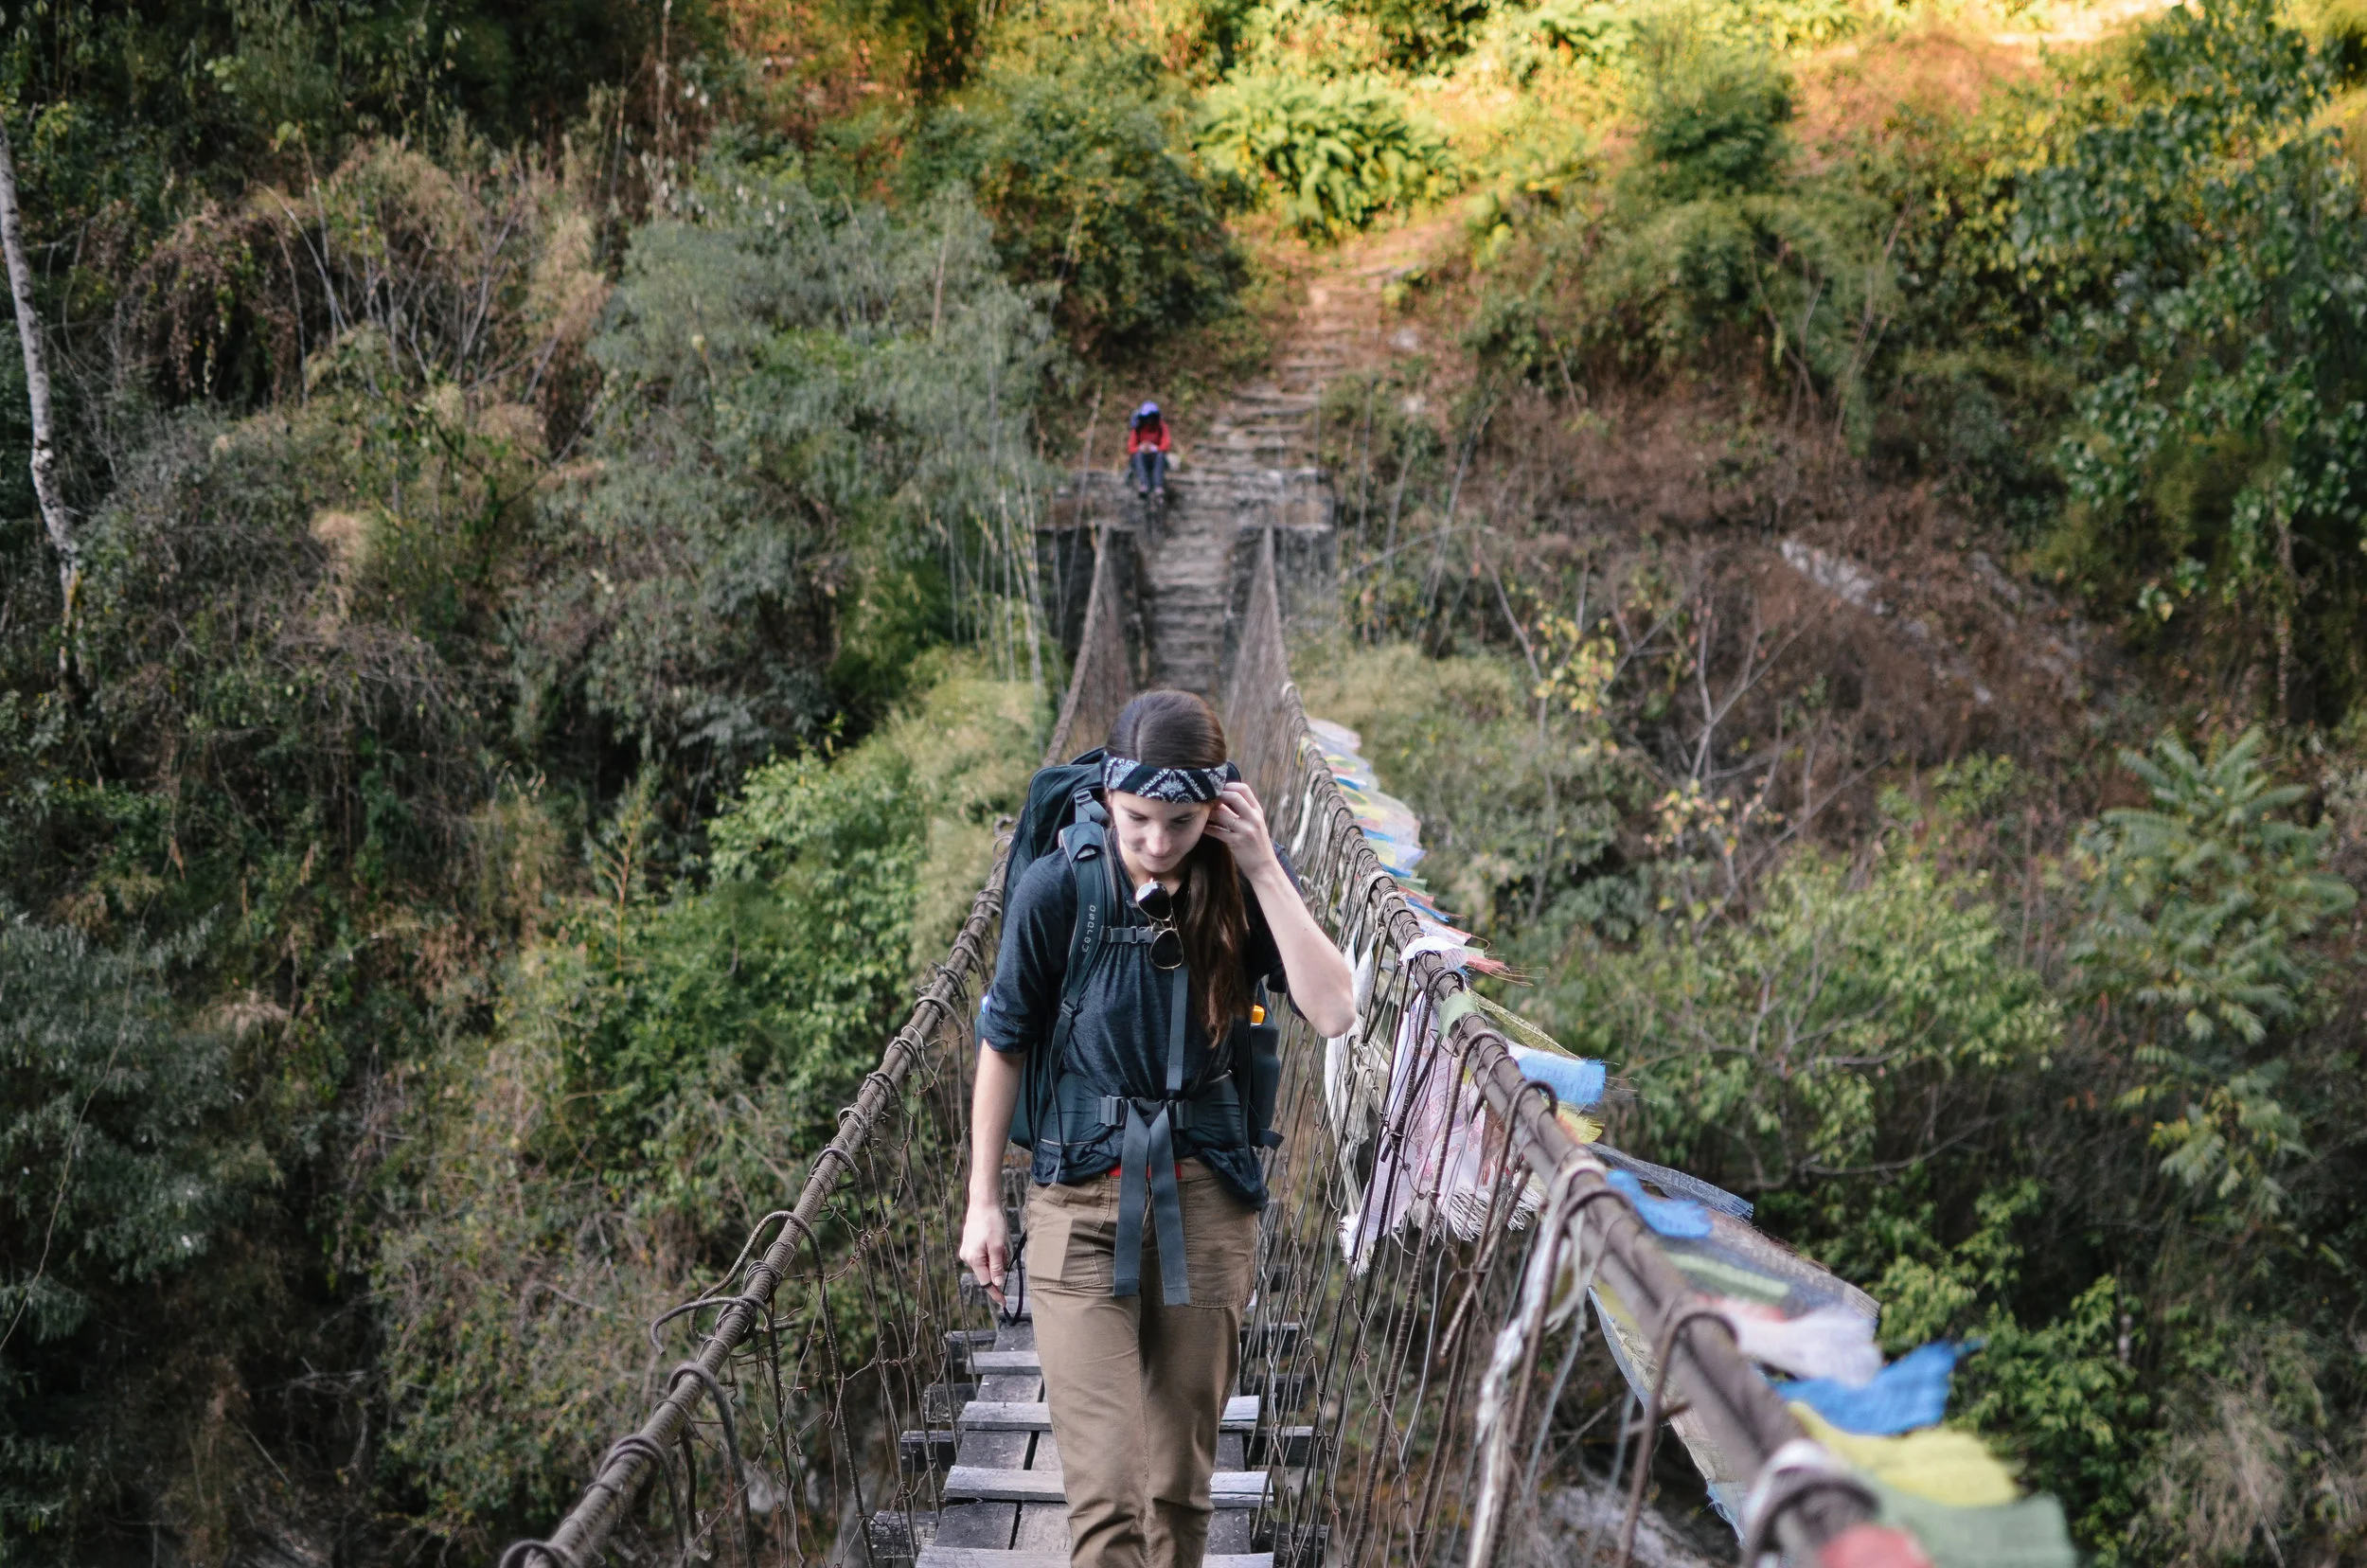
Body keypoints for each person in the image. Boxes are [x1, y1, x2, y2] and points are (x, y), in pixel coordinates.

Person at [961, 690, 1357, 1568]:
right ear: (1107, 795)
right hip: (1075, 1207)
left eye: (1180, 821)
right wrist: (982, 1202)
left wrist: (1261, 867)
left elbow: (1334, 1011)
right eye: (1137, 818)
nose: (1155, 840)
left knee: (1177, 1495)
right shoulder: (1059, 883)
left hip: (1207, 1206)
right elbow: (1004, 1040)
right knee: (1107, 1501)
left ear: (1215, 808)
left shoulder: (1239, 882)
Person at [1127, 401, 1171, 499]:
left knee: (1160, 455)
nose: (1149, 420)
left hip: (1156, 457)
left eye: (1152, 417)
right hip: (1141, 456)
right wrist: (1141, 448)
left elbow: (1166, 445)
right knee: (1138, 456)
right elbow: (1131, 447)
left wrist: (1154, 448)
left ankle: (1158, 487)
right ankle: (1144, 485)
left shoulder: (1161, 426)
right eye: (1147, 417)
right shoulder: (1138, 427)